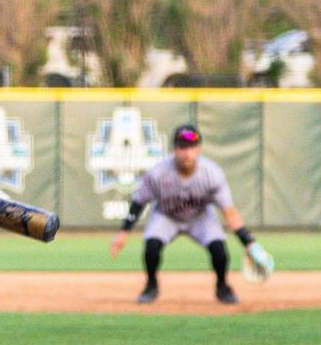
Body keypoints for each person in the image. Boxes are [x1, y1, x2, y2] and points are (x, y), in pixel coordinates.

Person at [110, 124, 270, 304]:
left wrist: (249, 242)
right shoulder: (158, 173)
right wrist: (124, 232)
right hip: (166, 215)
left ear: (199, 149)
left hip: (200, 216)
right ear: (174, 149)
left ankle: (222, 286)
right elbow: (139, 202)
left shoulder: (212, 173)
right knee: (152, 246)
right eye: (182, 146)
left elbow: (229, 212)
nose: (187, 152)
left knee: (219, 249)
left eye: (192, 147)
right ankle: (151, 285)